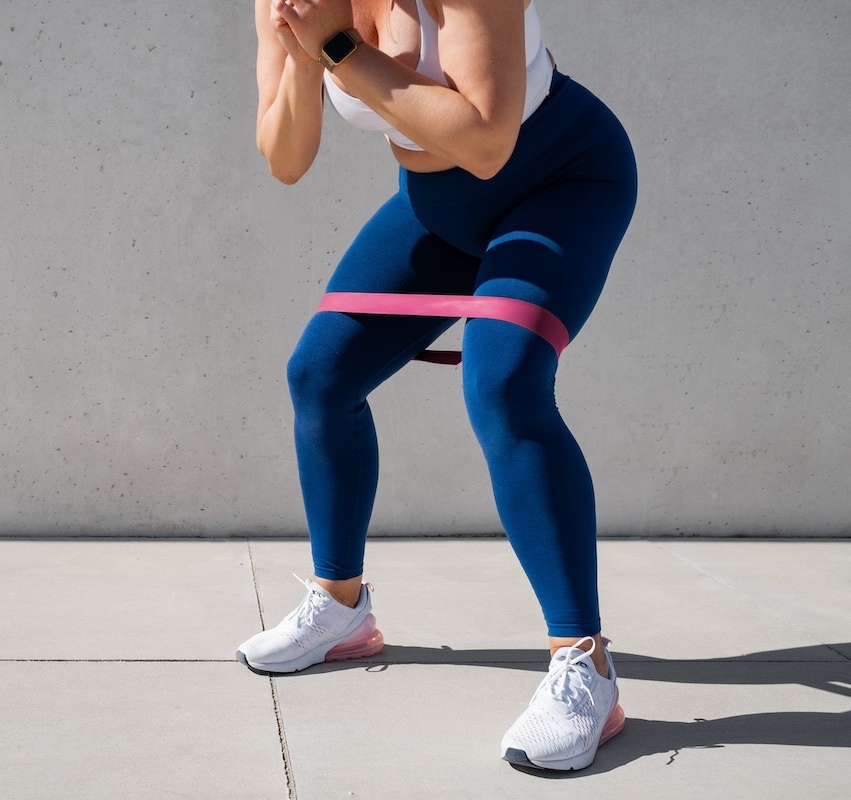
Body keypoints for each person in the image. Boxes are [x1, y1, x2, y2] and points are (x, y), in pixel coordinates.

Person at [237, 0, 638, 772]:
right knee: (320, 376)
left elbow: (486, 141)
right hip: (441, 207)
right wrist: (298, 51)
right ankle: (343, 610)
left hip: (560, 178)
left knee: (504, 382)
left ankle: (584, 664)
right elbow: (285, 159)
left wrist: (339, 46)